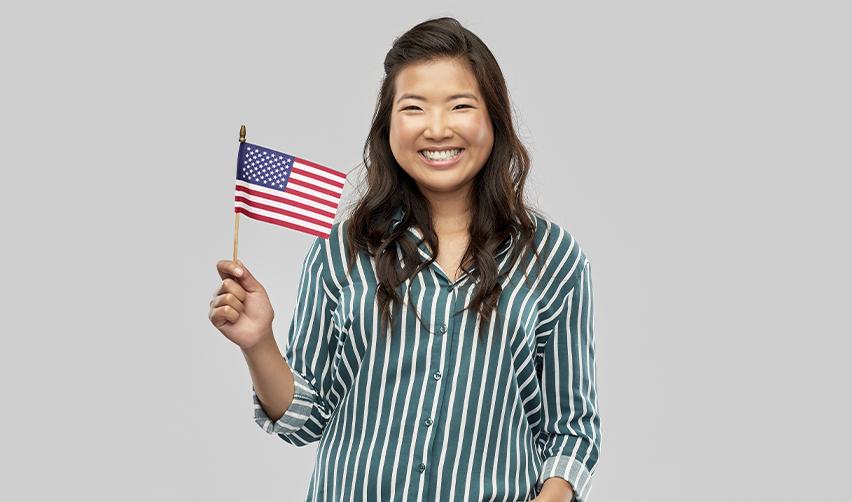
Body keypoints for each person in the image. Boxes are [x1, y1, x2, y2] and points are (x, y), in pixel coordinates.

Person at [209, 16, 599, 502]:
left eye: (460, 106)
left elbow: (572, 431)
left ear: (493, 120)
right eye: (414, 108)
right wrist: (258, 342)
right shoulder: (342, 252)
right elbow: (304, 421)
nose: (437, 129)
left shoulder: (553, 259)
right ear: (389, 125)